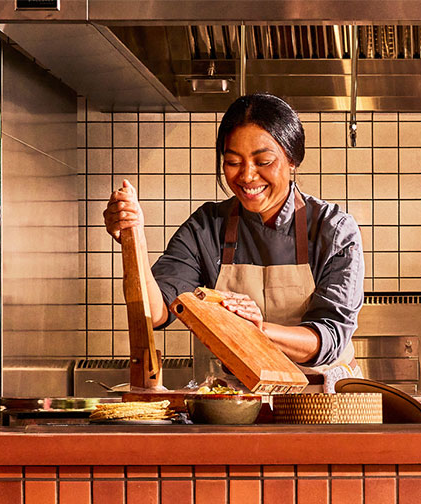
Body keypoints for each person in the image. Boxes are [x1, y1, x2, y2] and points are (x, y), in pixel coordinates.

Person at [104, 93, 364, 392]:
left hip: (324, 401)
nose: (247, 176)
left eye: (263, 161)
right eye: (232, 162)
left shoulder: (333, 229)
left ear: (293, 159)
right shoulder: (207, 226)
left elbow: (329, 339)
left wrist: (257, 331)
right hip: (238, 402)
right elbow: (157, 311)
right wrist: (133, 239)